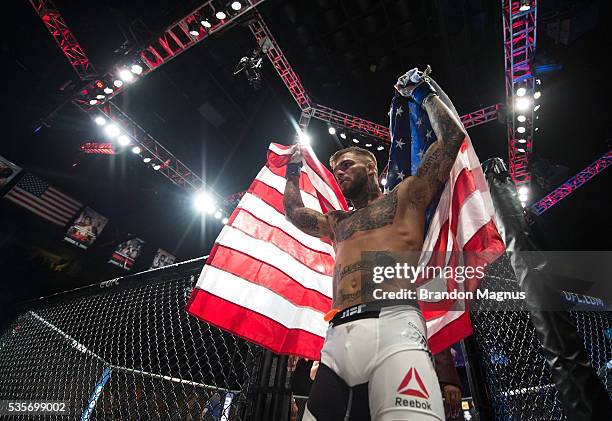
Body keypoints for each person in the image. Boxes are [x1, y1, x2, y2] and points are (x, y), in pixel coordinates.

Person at [283, 72, 467, 420]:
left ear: (371, 167)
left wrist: (422, 92)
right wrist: (293, 170)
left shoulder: (406, 197)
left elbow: (451, 138)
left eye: (347, 165)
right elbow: (294, 213)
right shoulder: (338, 223)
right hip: (337, 336)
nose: (340, 173)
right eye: (336, 169)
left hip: (395, 325)